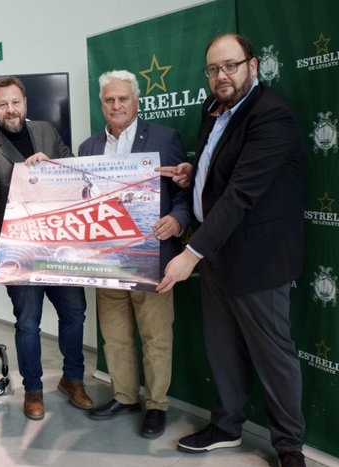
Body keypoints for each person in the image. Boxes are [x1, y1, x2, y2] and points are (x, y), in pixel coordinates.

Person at [156, 33, 305, 467]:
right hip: (217, 253)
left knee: (274, 355)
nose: (221, 76)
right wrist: (194, 173)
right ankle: (226, 425)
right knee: (221, 348)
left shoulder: (272, 114)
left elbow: (242, 193)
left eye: (231, 66)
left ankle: (289, 446)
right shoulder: (213, 108)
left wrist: (190, 254)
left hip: (259, 258)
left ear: (252, 66)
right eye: (213, 69)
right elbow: (222, 169)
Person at [78, 70, 191, 438]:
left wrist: (176, 220)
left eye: (123, 99)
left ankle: (156, 405)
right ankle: (125, 396)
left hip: (152, 257)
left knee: (156, 336)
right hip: (108, 259)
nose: (116, 106)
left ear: (136, 101)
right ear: (102, 104)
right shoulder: (88, 148)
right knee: (115, 335)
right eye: (109, 100)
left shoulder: (164, 138)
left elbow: (184, 195)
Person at [0, 75, 92, 421]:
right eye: (3, 104)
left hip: (59, 246)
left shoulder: (48, 132)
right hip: (19, 252)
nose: (11, 109)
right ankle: (34, 390)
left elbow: (75, 174)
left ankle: (73, 379)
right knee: (27, 324)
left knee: (74, 314)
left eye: (15, 102)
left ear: (25, 102)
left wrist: (53, 167)